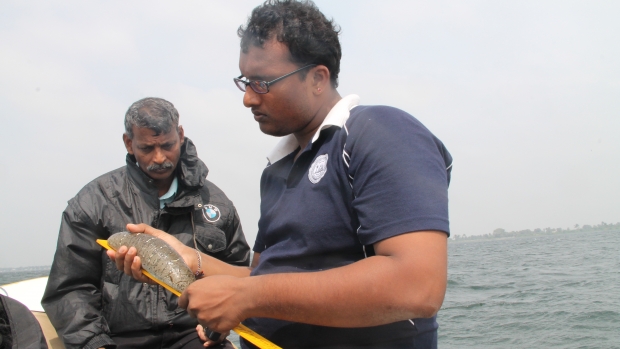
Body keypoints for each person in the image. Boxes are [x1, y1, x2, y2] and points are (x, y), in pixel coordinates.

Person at [111, 1, 453, 348]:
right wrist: (189, 258)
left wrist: (248, 296)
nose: (247, 98)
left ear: (318, 78)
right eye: (244, 81)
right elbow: (265, 279)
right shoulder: (277, 170)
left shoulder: (379, 132)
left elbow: (417, 285)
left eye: (261, 82)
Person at [42, 97, 250, 349]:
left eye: (167, 145)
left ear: (181, 135)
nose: (160, 157)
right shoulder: (92, 202)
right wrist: (94, 342)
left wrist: (216, 329)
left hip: (193, 335)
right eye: (147, 148)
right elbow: (70, 288)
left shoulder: (216, 203)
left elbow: (240, 276)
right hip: (117, 338)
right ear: (129, 143)